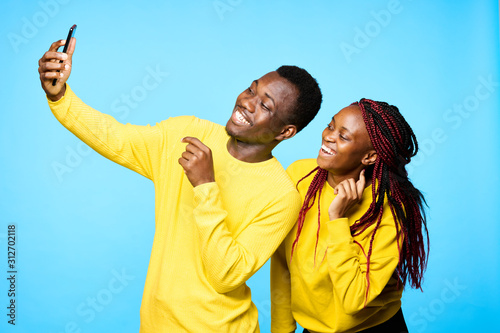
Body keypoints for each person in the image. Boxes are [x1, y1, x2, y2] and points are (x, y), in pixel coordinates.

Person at [38, 38, 322, 332]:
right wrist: (60, 97)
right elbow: (117, 138)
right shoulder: (188, 133)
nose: (247, 102)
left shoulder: (281, 196)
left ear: (286, 132)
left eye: (265, 105)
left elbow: (226, 275)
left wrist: (205, 186)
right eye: (252, 89)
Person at [271, 99, 429, 333]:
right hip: (315, 328)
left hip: (374, 327)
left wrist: (337, 219)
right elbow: (283, 260)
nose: (328, 136)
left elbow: (355, 299)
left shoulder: (389, 208)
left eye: (343, 137)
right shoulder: (298, 176)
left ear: (370, 157)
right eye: (330, 126)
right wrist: (281, 329)